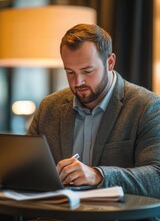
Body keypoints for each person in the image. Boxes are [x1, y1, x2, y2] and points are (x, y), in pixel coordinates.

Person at [27, 23, 160, 199]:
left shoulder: (146, 106)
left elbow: (156, 177)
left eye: (87, 71)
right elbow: (26, 169)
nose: (78, 82)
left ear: (110, 62)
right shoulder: (49, 107)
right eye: (70, 72)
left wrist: (98, 175)